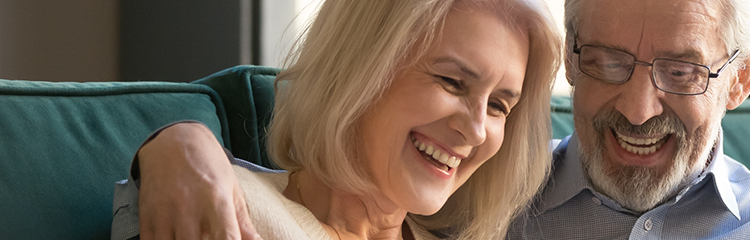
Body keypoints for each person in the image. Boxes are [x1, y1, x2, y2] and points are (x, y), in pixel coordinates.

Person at [131, 0, 750, 239]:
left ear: (740, 76)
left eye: (681, 72)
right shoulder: (491, 213)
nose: (640, 107)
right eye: (609, 61)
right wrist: (178, 146)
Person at [110, 0, 562, 239]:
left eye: (501, 106)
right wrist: (179, 142)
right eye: (452, 82)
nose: (477, 128)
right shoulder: (222, 200)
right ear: (362, 69)